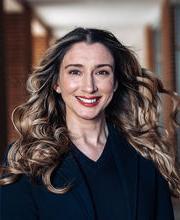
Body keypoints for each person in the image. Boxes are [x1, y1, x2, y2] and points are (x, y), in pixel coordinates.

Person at [0, 27, 180, 220]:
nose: (89, 87)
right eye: (75, 72)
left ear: (115, 82)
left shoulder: (146, 156)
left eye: (102, 72)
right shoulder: (25, 159)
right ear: (57, 83)